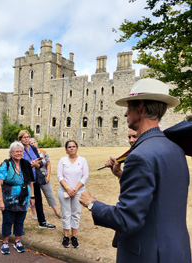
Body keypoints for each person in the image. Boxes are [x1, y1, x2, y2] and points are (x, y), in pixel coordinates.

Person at [79, 78, 191, 262]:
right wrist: (121, 176)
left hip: (148, 255)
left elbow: (126, 219)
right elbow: (157, 197)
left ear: (140, 107)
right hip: (176, 251)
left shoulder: (139, 156)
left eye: (128, 107)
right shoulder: (176, 149)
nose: (124, 114)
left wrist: (92, 204)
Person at [0, 141, 35, 254]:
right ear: (11, 152)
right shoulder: (6, 164)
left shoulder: (26, 164)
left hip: (24, 198)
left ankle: (17, 241)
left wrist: (32, 196)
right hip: (9, 199)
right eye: (16, 151)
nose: (19, 153)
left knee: (20, 220)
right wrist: (0, 201)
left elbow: (31, 182)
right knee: (8, 220)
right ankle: (5, 242)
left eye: (21, 151)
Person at [18, 130, 56, 229]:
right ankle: (18, 224)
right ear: (20, 139)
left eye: (27, 137)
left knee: (38, 201)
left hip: (35, 179)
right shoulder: (19, 149)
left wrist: (37, 165)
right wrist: (31, 164)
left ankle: (42, 222)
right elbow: (17, 164)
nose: (26, 139)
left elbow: (42, 163)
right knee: (23, 202)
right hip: (24, 180)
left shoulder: (33, 148)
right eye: (24, 137)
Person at [57, 140, 89, 248]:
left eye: (73, 146)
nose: (71, 148)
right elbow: (60, 176)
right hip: (64, 190)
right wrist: (68, 188)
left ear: (77, 148)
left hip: (78, 191)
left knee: (76, 213)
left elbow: (85, 177)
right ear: (66, 149)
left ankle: (74, 236)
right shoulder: (63, 160)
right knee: (66, 213)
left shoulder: (82, 160)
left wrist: (75, 189)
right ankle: (66, 236)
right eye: (69, 147)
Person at [29, 138, 61, 218]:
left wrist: (48, 176)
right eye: (31, 143)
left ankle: (57, 212)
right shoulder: (28, 153)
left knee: (49, 194)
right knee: (32, 195)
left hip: (43, 176)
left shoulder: (43, 152)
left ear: (37, 143)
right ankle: (34, 212)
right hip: (33, 177)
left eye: (34, 142)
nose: (33, 144)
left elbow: (48, 164)